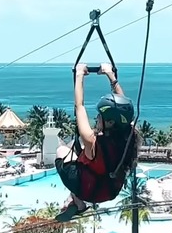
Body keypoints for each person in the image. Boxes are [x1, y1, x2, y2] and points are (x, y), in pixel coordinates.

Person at [54, 62, 139, 222]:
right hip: (110, 190)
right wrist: (111, 76)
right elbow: (125, 107)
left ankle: (78, 201)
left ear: (111, 123)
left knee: (62, 151)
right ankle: (76, 199)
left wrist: (79, 74)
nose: (97, 117)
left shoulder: (93, 142)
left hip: (88, 190)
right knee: (76, 145)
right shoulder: (129, 136)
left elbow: (79, 106)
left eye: (100, 116)